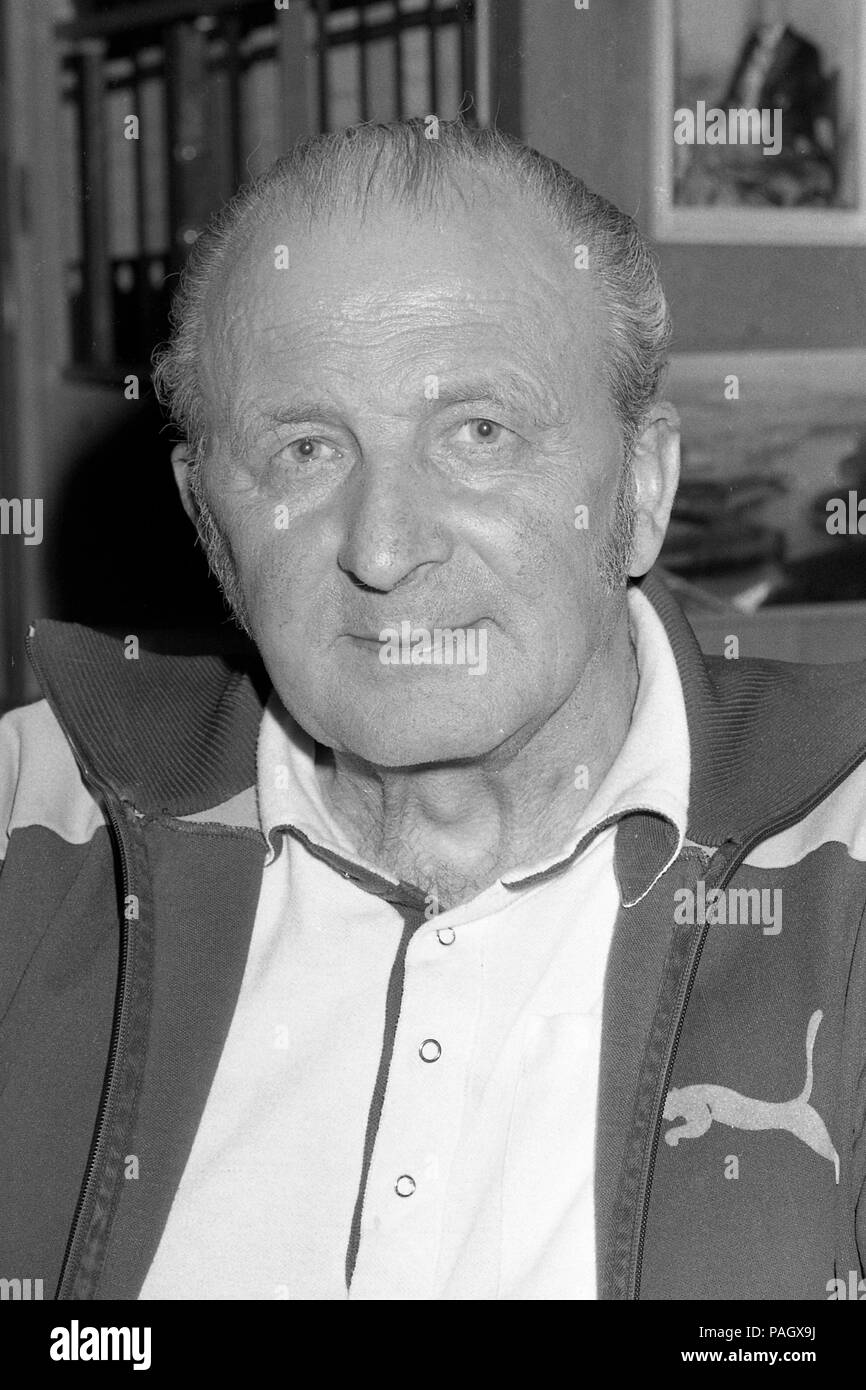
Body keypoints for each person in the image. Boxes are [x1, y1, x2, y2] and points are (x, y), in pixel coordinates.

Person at [1, 120, 865, 1302]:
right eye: (305, 450)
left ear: (643, 488)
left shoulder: (843, 860)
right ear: (209, 525)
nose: (386, 547)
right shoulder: (29, 827)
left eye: (477, 434)